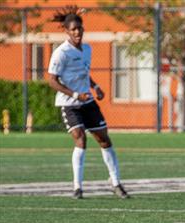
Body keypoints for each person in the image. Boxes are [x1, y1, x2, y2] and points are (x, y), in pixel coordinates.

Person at [48, 6, 129, 200]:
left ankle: (115, 182)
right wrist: (75, 95)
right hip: (70, 104)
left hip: (88, 101)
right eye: (73, 29)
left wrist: (95, 86)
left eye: (79, 28)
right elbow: (52, 80)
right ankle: (77, 187)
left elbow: (83, 72)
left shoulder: (87, 49)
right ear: (67, 31)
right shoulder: (61, 53)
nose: (77, 32)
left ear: (83, 29)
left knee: (104, 140)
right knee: (80, 139)